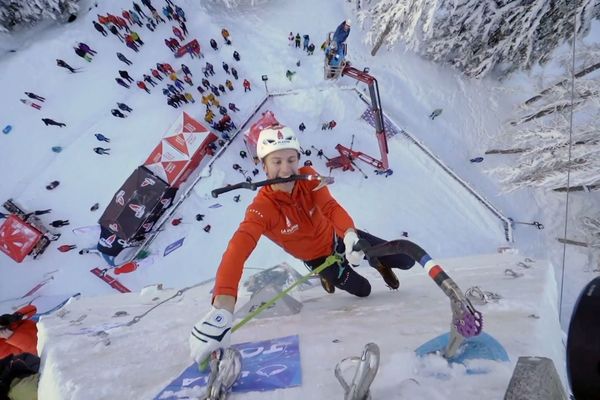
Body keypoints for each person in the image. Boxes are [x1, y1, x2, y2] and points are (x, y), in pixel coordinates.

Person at [188, 125, 413, 365]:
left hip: (341, 238)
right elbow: (237, 250)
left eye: (291, 159)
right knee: (363, 289)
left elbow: (330, 208)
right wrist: (223, 307)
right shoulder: (261, 209)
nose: (286, 170)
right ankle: (333, 274)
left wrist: (348, 234)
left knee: (405, 259)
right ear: (263, 165)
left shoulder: (308, 177)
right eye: (276, 162)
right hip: (319, 258)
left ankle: (378, 262)